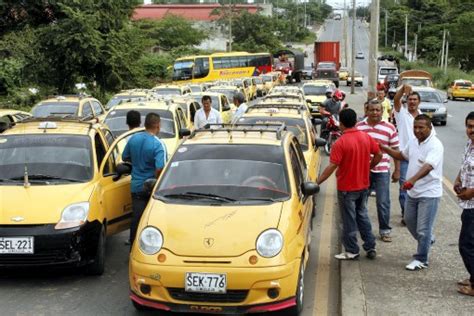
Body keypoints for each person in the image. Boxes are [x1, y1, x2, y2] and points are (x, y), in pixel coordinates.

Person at [317, 108, 382, 260]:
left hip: (347, 188)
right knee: (362, 215)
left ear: (341, 123)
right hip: (363, 185)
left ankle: (352, 250)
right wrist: (369, 167)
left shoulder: (340, 143)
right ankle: (370, 246)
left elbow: (331, 167)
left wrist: (317, 182)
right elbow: (378, 154)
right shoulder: (365, 137)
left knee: (349, 220)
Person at [380, 114, 443, 271]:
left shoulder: (436, 145)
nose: (417, 130)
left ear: (430, 128)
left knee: (423, 229)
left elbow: (428, 166)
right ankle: (427, 241)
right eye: (415, 127)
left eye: (421, 127)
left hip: (429, 193)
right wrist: (385, 148)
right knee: (409, 221)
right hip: (413, 192)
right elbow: (402, 155)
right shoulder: (414, 142)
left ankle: (421, 259)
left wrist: (412, 180)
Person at [356, 100, 400, 242]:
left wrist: (397, 170)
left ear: (382, 111)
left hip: (382, 171)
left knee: (383, 202)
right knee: (361, 201)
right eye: (372, 110)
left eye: (378, 110)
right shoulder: (359, 127)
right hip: (363, 171)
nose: (375, 112)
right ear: (367, 111)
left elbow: (396, 150)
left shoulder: (390, 128)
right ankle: (361, 228)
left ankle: (384, 230)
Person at [123, 113, 167, 247]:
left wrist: (137, 163)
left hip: (136, 186)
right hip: (152, 187)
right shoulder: (158, 144)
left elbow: (125, 157)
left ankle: (133, 245)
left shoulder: (133, 139)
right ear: (158, 125)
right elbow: (161, 168)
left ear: (145, 124)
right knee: (155, 220)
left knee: (136, 218)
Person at [393, 84, 422, 225]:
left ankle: (414, 212)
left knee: (417, 186)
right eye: (410, 99)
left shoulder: (423, 117)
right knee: (404, 186)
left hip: (420, 159)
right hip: (404, 158)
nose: (412, 102)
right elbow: (396, 100)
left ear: (419, 102)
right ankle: (406, 214)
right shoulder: (401, 114)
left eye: (415, 99)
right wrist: (402, 89)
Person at [454, 111, 474, 296]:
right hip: (467, 203)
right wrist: (458, 180)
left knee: (466, 245)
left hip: (473, 204)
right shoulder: (470, 144)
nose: (471, 130)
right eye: (469, 126)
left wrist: (470, 193)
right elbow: (464, 166)